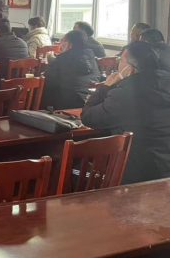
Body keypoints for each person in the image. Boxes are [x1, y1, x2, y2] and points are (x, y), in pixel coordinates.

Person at [82, 41, 170, 184]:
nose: (118, 65)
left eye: (120, 61)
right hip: (165, 173)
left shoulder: (125, 94)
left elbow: (88, 117)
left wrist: (104, 88)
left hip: (134, 176)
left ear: (129, 69)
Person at [40, 30, 100, 110]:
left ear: (69, 44)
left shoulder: (63, 58)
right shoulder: (91, 57)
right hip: (90, 100)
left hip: (68, 102)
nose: (60, 45)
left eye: (62, 41)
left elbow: (47, 80)